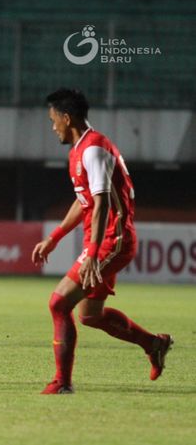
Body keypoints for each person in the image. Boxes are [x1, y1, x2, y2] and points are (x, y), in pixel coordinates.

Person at [31, 88, 173, 394]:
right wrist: (55, 238)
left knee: (58, 303)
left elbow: (103, 203)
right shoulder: (82, 149)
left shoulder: (93, 150)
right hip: (106, 239)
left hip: (114, 239)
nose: (52, 126)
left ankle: (62, 383)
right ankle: (155, 343)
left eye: (53, 119)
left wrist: (93, 253)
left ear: (66, 118)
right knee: (91, 316)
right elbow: (84, 203)